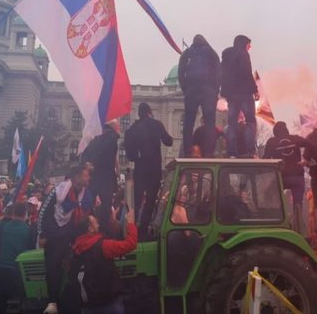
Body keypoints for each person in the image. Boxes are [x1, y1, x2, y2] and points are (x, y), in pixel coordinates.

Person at [40, 164, 96, 314]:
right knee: (54, 266)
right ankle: (52, 302)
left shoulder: (87, 194)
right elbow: (43, 211)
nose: (89, 178)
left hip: (74, 235)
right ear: (77, 177)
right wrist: (43, 234)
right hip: (56, 234)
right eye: (86, 175)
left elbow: (89, 211)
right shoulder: (58, 191)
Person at [70, 210, 137, 314]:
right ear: (90, 228)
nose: (98, 224)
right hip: (109, 304)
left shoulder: (76, 249)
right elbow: (130, 244)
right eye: (95, 222)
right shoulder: (103, 246)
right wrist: (131, 223)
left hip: (87, 306)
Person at [124, 103, 173, 239]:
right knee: (151, 199)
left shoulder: (131, 130)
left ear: (139, 114)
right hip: (154, 167)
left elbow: (130, 156)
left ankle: (133, 229)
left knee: (137, 200)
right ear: (149, 113)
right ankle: (144, 229)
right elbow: (168, 141)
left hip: (140, 168)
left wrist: (139, 156)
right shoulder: (156, 124)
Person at [178, 34, 220, 157]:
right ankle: (208, 151)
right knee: (210, 123)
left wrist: (185, 89)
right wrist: (215, 91)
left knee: (188, 122)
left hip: (191, 90)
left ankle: (187, 151)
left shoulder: (186, 53)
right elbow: (218, 73)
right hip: (208, 91)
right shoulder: (212, 53)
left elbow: (181, 72)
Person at [0, 202, 30, 314]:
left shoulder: (2, 227)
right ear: (25, 214)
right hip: (20, 273)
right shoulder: (29, 229)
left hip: (2, 270)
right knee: (20, 303)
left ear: (13, 212)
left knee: (0, 302)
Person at [263, 121, 307, 232]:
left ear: (275, 131)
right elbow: (310, 144)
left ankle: (276, 222)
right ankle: (298, 229)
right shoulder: (295, 139)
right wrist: (306, 159)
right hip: (297, 177)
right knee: (298, 204)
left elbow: (266, 159)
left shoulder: (272, 142)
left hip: (280, 177)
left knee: (270, 197)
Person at [220, 34, 259, 158]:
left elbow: (222, 75)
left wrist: (224, 92)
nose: (250, 47)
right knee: (250, 121)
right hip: (245, 94)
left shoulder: (226, 57)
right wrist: (255, 90)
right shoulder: (243, 54)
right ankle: (250, 151)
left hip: (232, 95)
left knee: (232, 124)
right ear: (243, 44)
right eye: (248, 44)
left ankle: (232, 152)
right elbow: (247, 73)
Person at [81, 119, 120, 230]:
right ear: (113, 126)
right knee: (106, 207)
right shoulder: (112, 136)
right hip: (106, 178)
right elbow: (105, 155)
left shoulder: (96, 138)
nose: (120, 128)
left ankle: (87, 228)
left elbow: (86, 154)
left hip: (93, 178)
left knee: (89, 205)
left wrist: (90, 164)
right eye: (118, 126)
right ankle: (104, 230)